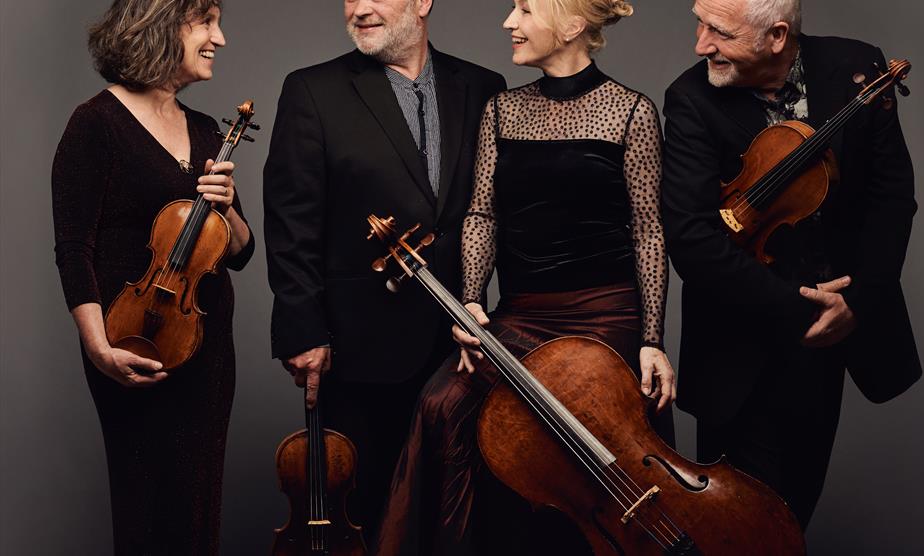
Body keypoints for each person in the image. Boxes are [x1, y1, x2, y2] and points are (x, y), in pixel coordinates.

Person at [376, 0, 676, 553]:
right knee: (443, 404)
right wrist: (469, 302)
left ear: (572, 25)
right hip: (522, 315)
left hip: (604, 320)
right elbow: (482, 214)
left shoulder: (631, 112)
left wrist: (653, 340)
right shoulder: (502, 111)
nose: (509, 22)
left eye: (526, 9)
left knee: (585, 448)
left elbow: (648, 231)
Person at [661, 0, 921, 529]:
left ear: (777, 36)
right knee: (732, 529)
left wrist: (856, 301)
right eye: (700, 22)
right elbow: (692, 239)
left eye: (720, 31)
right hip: (737, 350)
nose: (700, 44)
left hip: (825, 347)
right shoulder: (690, 97)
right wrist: (803, 309)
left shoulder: (857, 70)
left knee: (792, 514)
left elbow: (891, 199)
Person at [262, 0, 506, 543]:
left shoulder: (485, 86)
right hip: (360, 349)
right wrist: (302, 331)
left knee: (459, 523)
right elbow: (290, 221)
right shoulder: (312, 90)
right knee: (373, 520)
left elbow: (493, 213)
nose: (360, 8)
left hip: (462, 347)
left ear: (422, 3)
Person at [51, 1, 254, 553]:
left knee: (198, 509)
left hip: (207, 348)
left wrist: (229, 206)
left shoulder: (208, 130)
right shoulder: (96, 124)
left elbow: (239, 251)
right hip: (132, 343)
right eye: (206, 21)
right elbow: (74, 249)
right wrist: (98, 350)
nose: (220, 38)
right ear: (164, 24)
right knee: (146, 511)